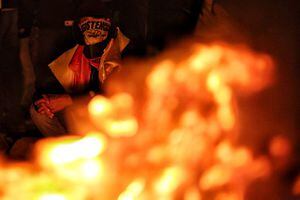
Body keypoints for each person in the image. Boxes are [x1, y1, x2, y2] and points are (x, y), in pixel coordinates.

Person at [29, 1, 129, 137]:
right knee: (39, 112)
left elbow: (122, 97)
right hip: (80, 117)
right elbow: (46, 87)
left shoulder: (126, 52)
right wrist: (43, 101)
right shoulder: (70, 55)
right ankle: (67, 150)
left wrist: (70, 100)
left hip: (112, 122)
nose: (95, 56)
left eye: (100, 46)